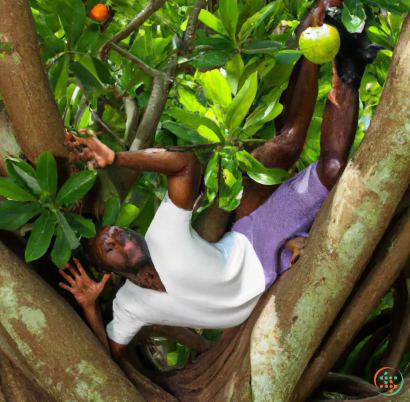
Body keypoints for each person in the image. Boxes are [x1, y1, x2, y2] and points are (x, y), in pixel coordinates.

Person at [60, 32, 372, 360]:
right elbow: (106, 357)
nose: (123, 239)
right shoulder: (130, 305)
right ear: (105, 268)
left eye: (119, 232)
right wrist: (90, 306)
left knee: (329, 166)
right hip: (277, 281)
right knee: (351, 249)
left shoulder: (162, 237)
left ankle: (340, 59)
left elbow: (186, 166)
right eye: (111, 246)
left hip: (258, 239)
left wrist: (117, 159)